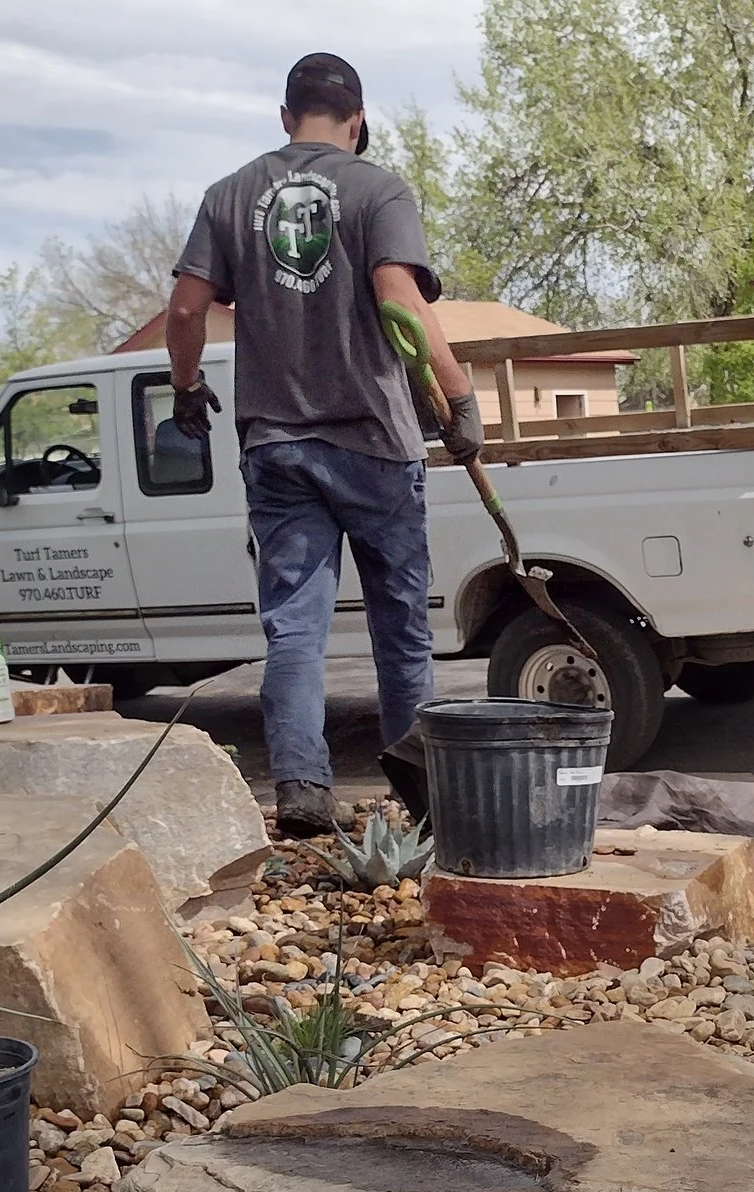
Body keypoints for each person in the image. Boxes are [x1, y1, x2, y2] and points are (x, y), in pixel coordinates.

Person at [163, 52, 484, 835]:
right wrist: (460, 396)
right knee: (399, 625)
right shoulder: (378, 190)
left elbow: (183, 310)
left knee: (295, 628)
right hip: (375, 441)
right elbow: (400, 301)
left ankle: (303, 788)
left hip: (277, 448)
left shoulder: (229, 196)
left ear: (285, 118)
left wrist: (185, 387)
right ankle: (423, 793)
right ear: (359, 122)